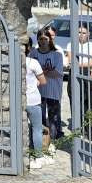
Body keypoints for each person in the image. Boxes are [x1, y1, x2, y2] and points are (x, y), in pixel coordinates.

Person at [31, 28, 64, 141]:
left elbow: (57, 73)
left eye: (46, 38)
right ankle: (42, 141)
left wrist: (40, 72)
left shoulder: (57, 55)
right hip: (38, 90)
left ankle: (54, 140)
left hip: (53, 90)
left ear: (50, 39)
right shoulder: (33, 53)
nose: (43, 41)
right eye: (41, 39)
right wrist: (45, 71)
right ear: (38, 40)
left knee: (53, 118)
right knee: (40, 118)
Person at [24, 37, 49, 169]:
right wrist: (36, 82)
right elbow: (43, 81)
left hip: (20, 101)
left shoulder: (11, 62)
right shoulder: (33, 63)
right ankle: (38, 156)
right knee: (37, 129)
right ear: (29, 48)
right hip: (33, 100)